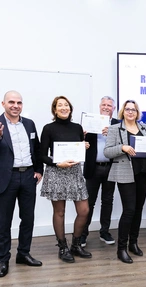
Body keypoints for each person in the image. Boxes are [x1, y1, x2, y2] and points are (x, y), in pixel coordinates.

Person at [104, 100, 146, 263]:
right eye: (127, 109)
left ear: (137, 112)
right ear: (123, 111)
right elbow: (107, 152)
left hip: (143, 172)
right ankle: (121, 248)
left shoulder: (145, 128)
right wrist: (122, 147)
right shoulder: (115, 129)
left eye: (133, 109)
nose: (130, 112)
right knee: (129, 210)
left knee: (138, 209)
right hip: (125, 174)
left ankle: (133, 243)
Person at [40, 96, 92, 263]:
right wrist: (57, 163)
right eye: (59, 105)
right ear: (55, 110)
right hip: (57, 172)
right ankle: (62, 247)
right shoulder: (48, 128)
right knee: (60, 212)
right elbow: (41, 154)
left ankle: (76, 245)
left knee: (84, 210)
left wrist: (84, 146)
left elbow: (77, 150)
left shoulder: (77, 127)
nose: (63, 108)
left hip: (75, 172)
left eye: (66, 105)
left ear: (70, 108)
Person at [0, 91, 44, 278]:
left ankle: (23, 254)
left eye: (19, 102)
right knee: (3, 222)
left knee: (28, 218)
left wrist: (38, 170)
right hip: (6, 178)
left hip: (27, 176)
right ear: (3, 104)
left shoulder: (29, 123)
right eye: (11, 102)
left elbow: (37, 148)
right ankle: (2, 259)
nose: (15, 105)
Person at [81, 96, 119, 247]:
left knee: (108, 201)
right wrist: (81, 136)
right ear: (99, 106)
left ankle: (105, 231)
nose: (106, 107)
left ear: (113, 109)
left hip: (111, 167)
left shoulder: (117, 124)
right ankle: (83, 233)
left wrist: (112, 134)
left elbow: (123, 143)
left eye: (109, 105)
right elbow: (79, 143)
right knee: (89, 202)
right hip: (93, 167)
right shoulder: (89, 122)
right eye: (103, 104)